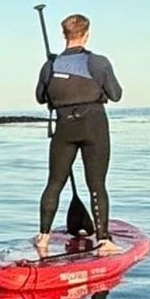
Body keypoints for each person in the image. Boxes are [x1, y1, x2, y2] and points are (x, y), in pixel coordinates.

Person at [35, 14, 122, 256]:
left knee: (54, 183)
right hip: (94, 126)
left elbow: (41, 97)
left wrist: (56, 74)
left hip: (64, 128)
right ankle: (103, 241)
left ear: (64, 34)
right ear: (87, 33)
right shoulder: (98, 62)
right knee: (96, 185)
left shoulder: (50, 66)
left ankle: (42, 238)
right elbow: (115, 94)